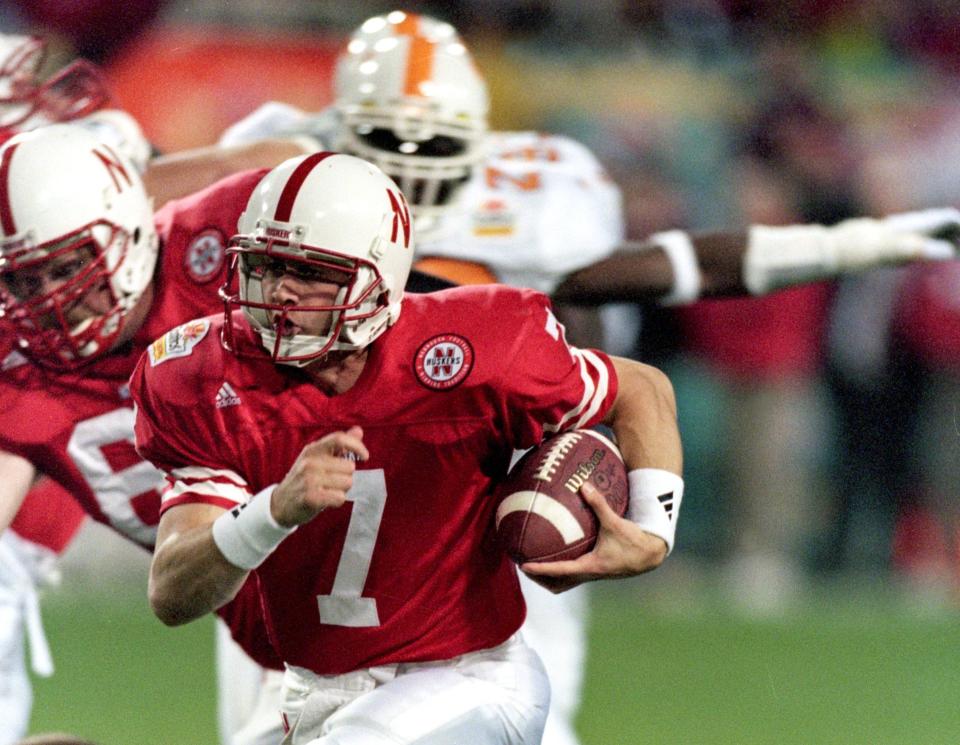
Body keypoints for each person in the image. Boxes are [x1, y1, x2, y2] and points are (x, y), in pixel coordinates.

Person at [215, 11, 960, 744]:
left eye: (433, 140)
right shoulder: (278, 173)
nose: (409, 158)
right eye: (383, 138)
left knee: (513, 708)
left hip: (471, 492)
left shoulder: (533, 202)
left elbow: (647, 281)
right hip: (310, 473)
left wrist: (842, 244)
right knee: (280, 713)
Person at [130, 151, 682, 744]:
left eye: (311, 272)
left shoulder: (474, 349)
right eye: (265, 265)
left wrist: (653, 530)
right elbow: (171, 595)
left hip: (468, 679)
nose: (281, 293)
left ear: (379, 278)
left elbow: (640, 388)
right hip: (311, 688)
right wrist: (271, 512)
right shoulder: (200, 376)